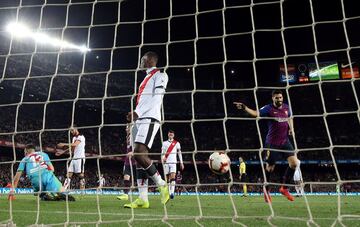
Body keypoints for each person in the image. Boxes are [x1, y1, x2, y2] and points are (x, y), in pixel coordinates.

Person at [234, 89, 299, 203]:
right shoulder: (268, 109)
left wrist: (291, 129)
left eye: (280, 97)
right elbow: (256, 113)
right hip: (272, 143)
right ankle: (266, 189)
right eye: (277, 98)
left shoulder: (286, 107)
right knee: (270, 168)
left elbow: (290, 117)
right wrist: (245, 108)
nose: (279, 99)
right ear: (273, 98)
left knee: (294, 163)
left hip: (285, 141)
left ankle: (284, 188)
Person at [124, 51, 169, 208]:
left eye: (143, 59)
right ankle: (143, 199)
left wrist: (138, 113)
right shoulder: (146, 78)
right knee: (137, 159)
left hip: (150, 118)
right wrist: (135, 115)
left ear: (150, 60)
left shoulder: (161, 75)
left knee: (138, 152)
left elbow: (157, 98)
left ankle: (161, 184)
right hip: (140, 119)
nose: (141, 61)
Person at [9, 144, 75, 201]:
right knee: (61, 189)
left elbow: (16, 179)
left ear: (26, 151)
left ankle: (47, 195)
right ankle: (58, 193)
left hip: (36, 184)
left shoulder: (24, 159)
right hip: (46, 177)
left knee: (43, 194)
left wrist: (12, 192)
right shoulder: (43, 154)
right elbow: (52, 169)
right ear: (34, 150)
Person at [56, 126, 86, 190]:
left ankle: (82, 189)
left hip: (80, 158)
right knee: (69, 174)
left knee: (80, 175)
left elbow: (75, 144)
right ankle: (64, 189)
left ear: (76, 129)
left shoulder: (81, 137)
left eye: (72, 130)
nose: (71, 132)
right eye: (70, 131)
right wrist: (62, 152)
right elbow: (72, 148)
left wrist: (64, 144)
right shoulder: (74, 138)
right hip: (74, 158)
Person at [161, 130, 184, 199]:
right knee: (167, 179)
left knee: (173, 177)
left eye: (172, 133)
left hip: (174, 162)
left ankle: (172, 193)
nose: (171, 134)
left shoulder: (177, 143)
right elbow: (162, 153)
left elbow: (179, 153)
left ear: (173, 135)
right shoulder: (164, 143)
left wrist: (181, 162)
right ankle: (169, 192)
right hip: (166, 162)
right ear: (168, 134)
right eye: (169, 133)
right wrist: (163, 159)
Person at [117, 124, 137, 201]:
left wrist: (133, 152)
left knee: (140, 177)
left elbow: (138, 146)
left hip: (135, 159)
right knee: (126, 176)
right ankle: (125, 194)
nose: (126, 129)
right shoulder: (128, 137)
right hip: (128, 159)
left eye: (127, 127)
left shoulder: (134, 135)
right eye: (126, 127)